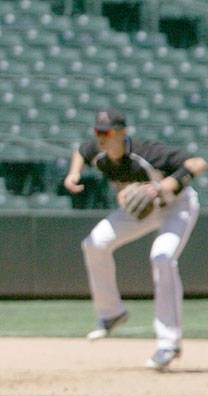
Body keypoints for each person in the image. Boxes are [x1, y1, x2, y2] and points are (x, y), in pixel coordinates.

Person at [63, 107, 205, 370]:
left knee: (162, 258)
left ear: (122, 132)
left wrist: (162, 186)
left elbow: (197, 164)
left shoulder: (147, 153)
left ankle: (168, 343)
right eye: (97, 131)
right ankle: (111, 313)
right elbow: (81, 152)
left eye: (107, 132)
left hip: (177, 206)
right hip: (141, 210)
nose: (101, 137)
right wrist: (73, 174)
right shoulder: (97, 151)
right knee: (94, 244)